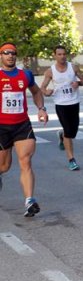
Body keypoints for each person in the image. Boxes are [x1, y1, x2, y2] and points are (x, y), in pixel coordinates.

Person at [0, 42, 49, 217]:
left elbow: (36, 92)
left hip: (22, 125)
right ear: (1, 56)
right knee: (4, 166)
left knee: (25, 161)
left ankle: (29, 201)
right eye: (6, 53)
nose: (10, 55)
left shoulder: (25, 75)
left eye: (13, 53)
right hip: (1, 128)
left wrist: (41, 109)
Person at [41, 45, 83, 171]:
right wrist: (46, 92)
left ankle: (62, 135)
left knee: (73, 131)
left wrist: (78, 83)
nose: (62, 56)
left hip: (74, 102)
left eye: (64, 54)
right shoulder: (50, 71)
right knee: (68, 130)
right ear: (54, 56)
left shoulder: (73, 67)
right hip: (60, 104)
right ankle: (71, 160)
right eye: (59, 54)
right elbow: (42, 88)